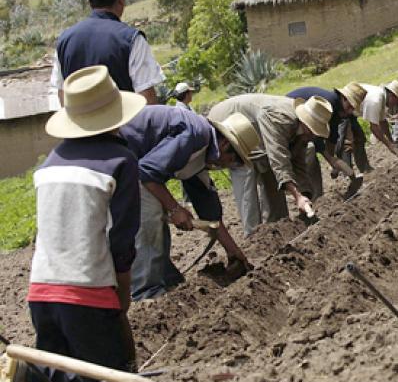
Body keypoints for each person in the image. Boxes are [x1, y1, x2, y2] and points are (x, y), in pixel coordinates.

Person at [21, 65, 146, 382]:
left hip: (41, 293)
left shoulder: (51, 162)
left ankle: (29, 379)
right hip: (87, 294)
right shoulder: (121, 160)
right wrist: (122, 293)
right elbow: (121, 239)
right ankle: (30, 380)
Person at [120, 106, 257, 300]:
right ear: (226, 145)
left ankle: (167, 279)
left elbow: (210, 215)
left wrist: (234, 252)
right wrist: (175, 209)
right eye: (234, 162)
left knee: (155, 210)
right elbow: (147, 173)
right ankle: (146, 291)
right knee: (150, 213)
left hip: (134, 165)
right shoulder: (195, 135)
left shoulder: (202, 156)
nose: (228, 167)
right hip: (117, 157)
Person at [208, 95, 334, 235]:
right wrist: (297, 196)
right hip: (230, 126)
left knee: (272, 177)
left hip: (257, 134)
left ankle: (276, 228)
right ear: (307, 124)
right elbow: (278, 159)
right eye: (314, 130)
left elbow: (298, 162)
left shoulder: (302, 130)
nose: (315, 136)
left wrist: (304, 194)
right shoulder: (280, 119)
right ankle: (254, 236)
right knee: (247, 177)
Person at [51, 0, 164, 105]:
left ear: (89, 1)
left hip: (80, 124)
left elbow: (62, 94)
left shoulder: (64, 40)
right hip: (123, 124)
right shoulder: (131, 39)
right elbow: (146, 98)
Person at [286, 83, 367, 200]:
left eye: (353, 109)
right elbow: (316, 137)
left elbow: (331, 135)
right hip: (293, 118)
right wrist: (330, 158)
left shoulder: (337, 107)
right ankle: (311, 196)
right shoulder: (328, 104)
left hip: (305, 124)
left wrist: (333, 161)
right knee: (309, 151)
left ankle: (317, 196)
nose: (350, 111)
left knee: (311, 151)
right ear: (344, 98)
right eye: (350, 107)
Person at [359, 81, 398, 159]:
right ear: (392, 95)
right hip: (343, 108)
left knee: (358, 137)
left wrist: (391, 141)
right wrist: (390, 146)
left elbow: (382, 121)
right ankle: (363, 169)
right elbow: (374, 128)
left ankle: (365, 168)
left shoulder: (383, 97)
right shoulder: (375, 100)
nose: (395, 105)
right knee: (353, 140)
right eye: (397, 102)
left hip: (350, 108)